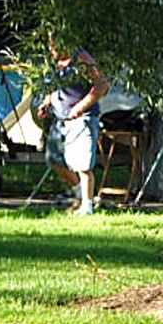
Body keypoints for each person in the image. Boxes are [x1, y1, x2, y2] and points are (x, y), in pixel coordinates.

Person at [36, 37, 109, 214]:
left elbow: (102, 86)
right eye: (49, 44)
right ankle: (79, 193)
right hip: (60, 120)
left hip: (83, 117)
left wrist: (79, 108)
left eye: (54, 44)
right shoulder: (54, 64)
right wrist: (46, 104)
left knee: (83, 164)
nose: (51, 49)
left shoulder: (81, 59)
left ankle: (87, 207)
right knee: (53, 159)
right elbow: (53, 88)